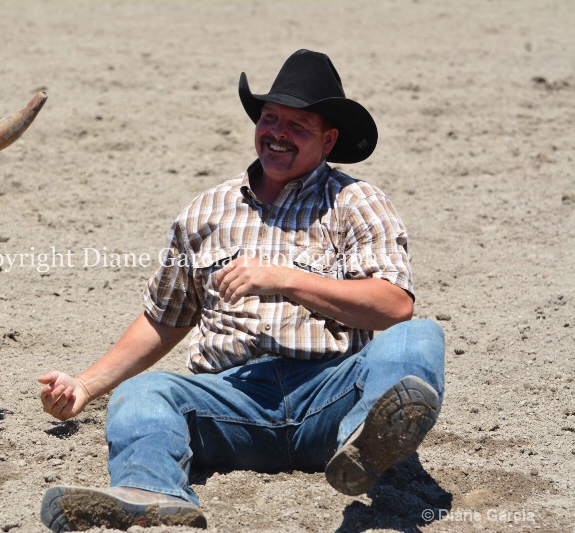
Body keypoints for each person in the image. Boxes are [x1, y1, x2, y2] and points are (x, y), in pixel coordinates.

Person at [37, 49, 445, 532]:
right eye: (270, 117)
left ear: (329, 139)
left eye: (298, 124)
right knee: (144, 393)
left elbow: (393, 306)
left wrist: (286, 279)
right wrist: (85, 385)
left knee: (418, 337)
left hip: (330, 396)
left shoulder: (356, 202)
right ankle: (150, 492)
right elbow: (165, 317)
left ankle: (366, 442)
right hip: (231, 400)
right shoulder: (206, 211)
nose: (276, 132)